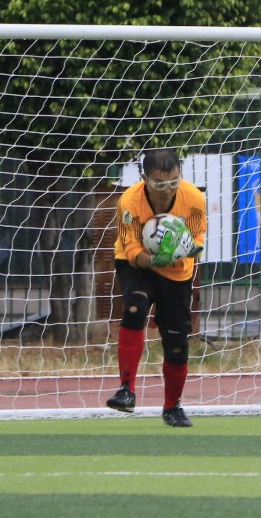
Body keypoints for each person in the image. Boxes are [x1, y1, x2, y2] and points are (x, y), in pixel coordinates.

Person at [107, 147, 207, 428]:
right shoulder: (129, 201)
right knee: (135, 308)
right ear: (144, 178)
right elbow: (131, 248)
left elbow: (199, 237)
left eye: (173, 182)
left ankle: (172, 406)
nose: (166, 190)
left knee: (176, 340)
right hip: (137, 264)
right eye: (159, 184)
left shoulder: (194, 198)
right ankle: (126, 390)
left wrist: (186, 248)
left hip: (177, 271)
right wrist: (155, 257)